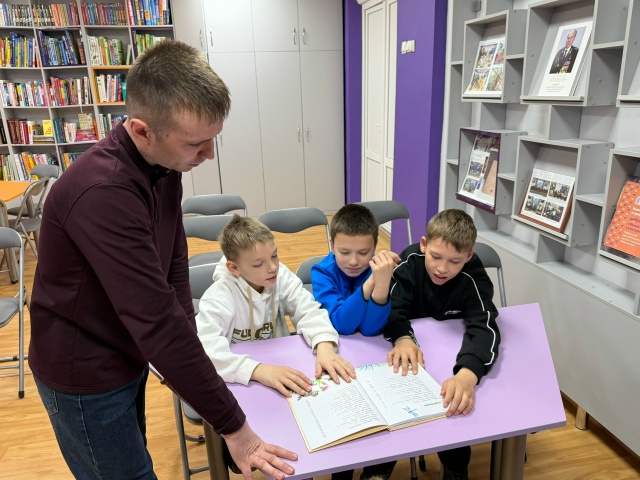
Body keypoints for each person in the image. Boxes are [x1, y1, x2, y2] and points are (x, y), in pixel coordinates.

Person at [28, 41, 296, 480]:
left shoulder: (163, 166)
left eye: (213, 139)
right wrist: (235, 428)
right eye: (196, 143)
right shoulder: (103, 191)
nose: (208, 155)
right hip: (85, 370)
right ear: (141, 130)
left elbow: (174, 267)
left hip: (125, 348)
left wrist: (188, 356)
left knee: (134, 461)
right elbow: (154, 317)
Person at [383, 209, 501, 480]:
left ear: (468, 257)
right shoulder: (410, 263)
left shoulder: (474, 277)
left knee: (455, 404)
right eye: (435, 257)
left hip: (449, 359)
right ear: (424, 244)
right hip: (412, 360)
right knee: (395, 402)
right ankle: (382, 464)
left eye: (454, 261)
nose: (442, 268)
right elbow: (392, 309)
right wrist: (403, 337)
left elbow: (484, 326)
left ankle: (455, 467)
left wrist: (468, 374)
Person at [196, 214, 356, 397]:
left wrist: (324, 346)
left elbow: (308, 310)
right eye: (259, 264)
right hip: (239, 381)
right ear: (234, 268)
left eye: (274, 256)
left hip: (278, 364)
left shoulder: (280, 276)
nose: (273, 267)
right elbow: (205, 351)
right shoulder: (219, 297)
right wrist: (258, 371)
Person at [311, 203, 399, 480]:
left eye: (363, 253)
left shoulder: (380, 270)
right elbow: (342, 324)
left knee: (385, 414)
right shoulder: (322, 272)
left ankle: (375, 468)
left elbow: (372, 328)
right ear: (331, 244)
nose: (353, 261)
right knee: (344, 422)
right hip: (339, 362)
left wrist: (381, 284)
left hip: (372, 358)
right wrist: (372, 283)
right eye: (344, 252)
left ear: (375, 247)